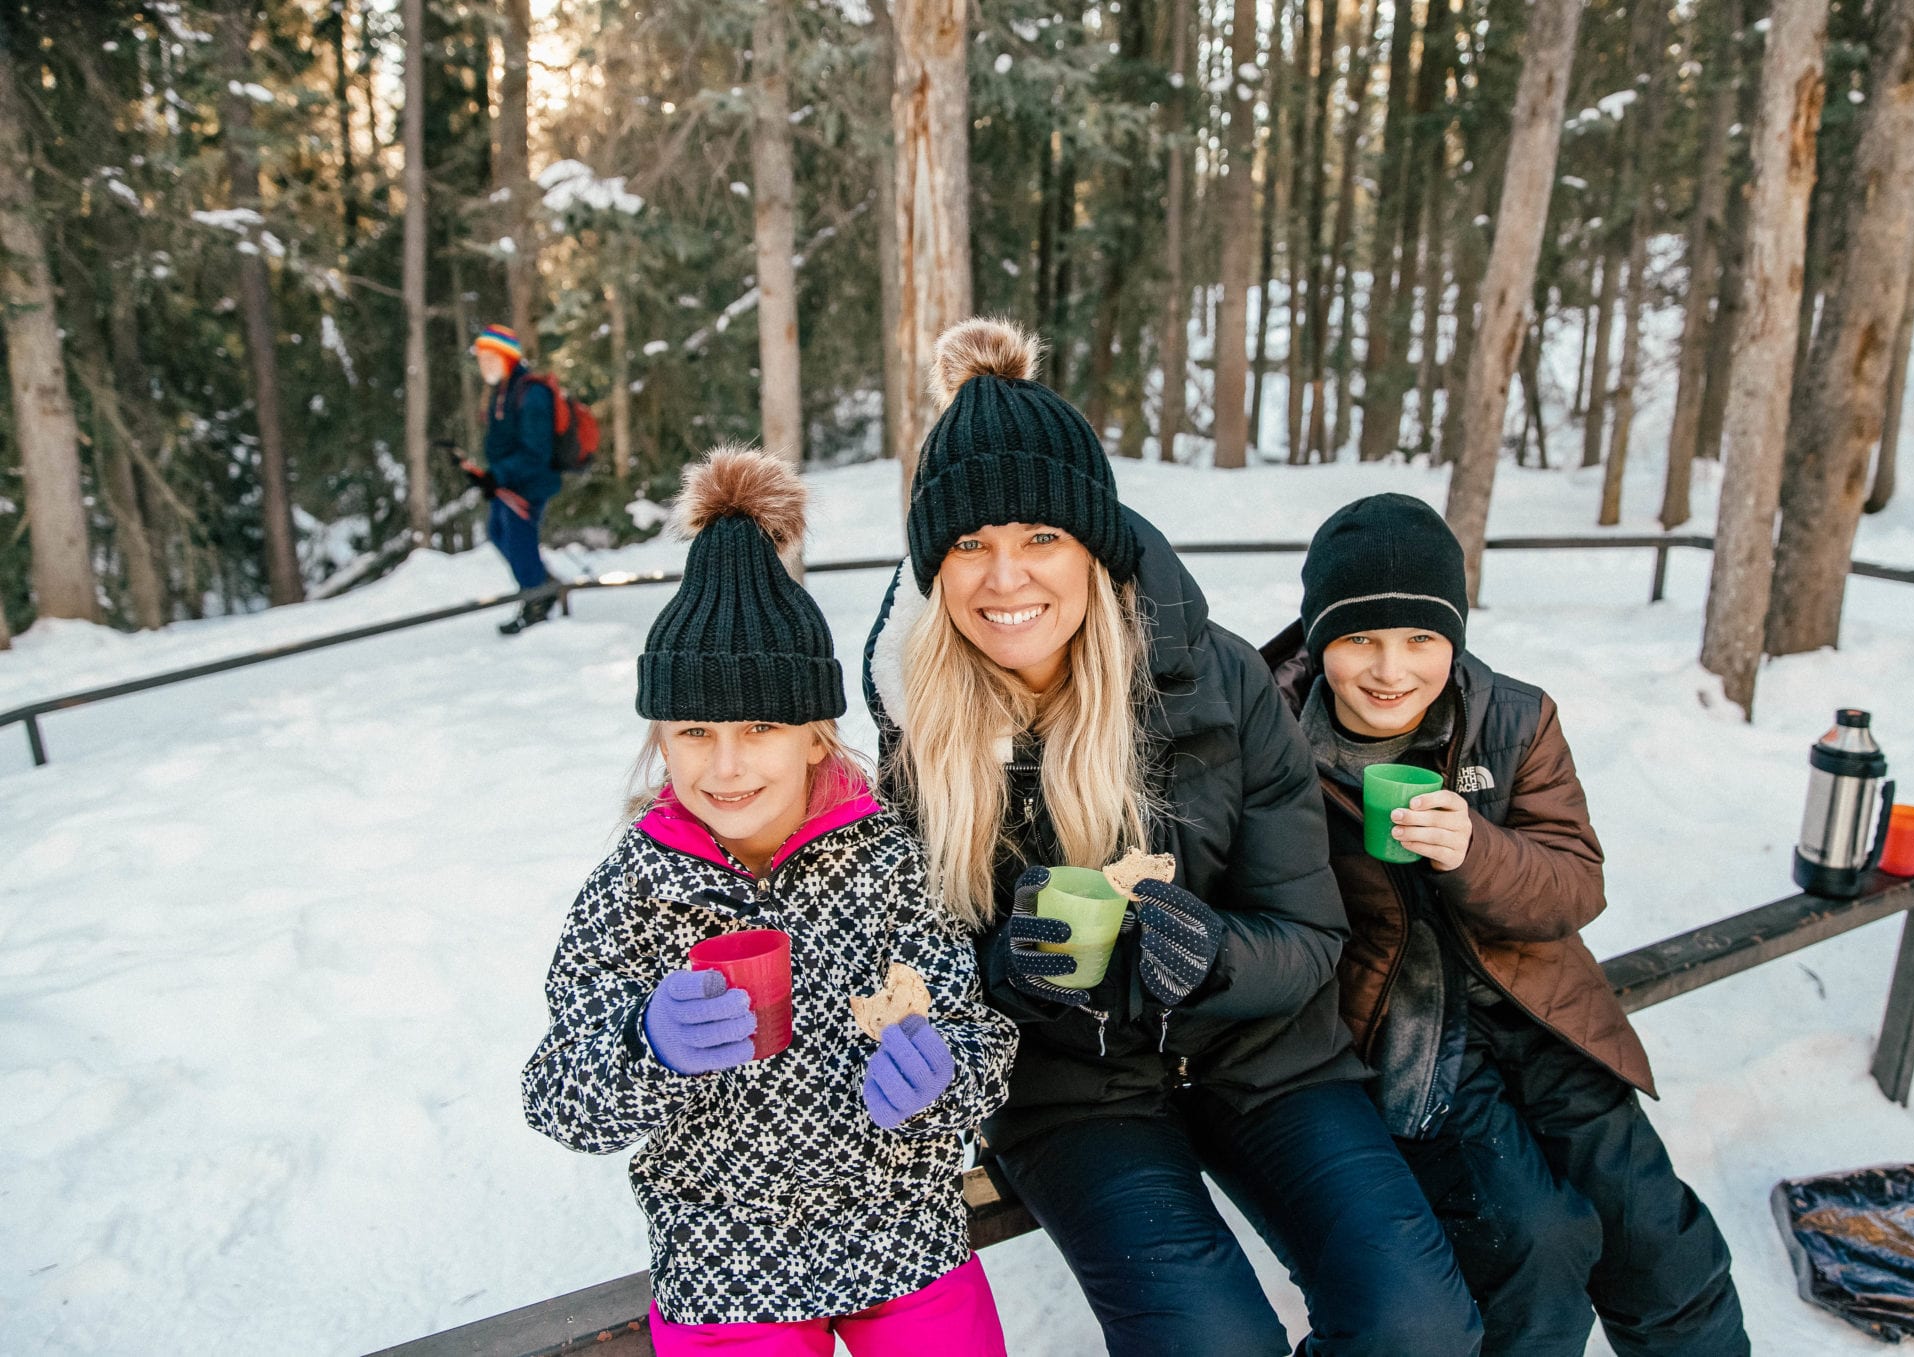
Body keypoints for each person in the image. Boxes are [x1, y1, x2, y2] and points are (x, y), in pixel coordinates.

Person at [863, 318, 1481, 1356]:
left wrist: (1213, 956)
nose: (1005, 579)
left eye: (1040, 537)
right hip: (1074, 1093)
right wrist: (1006, 974)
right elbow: (904, 976)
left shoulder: (1218, 678)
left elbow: (1309, 933)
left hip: (1265, 1054)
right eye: (969, 543)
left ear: (1093, 545)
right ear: (935, 565)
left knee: (1418, 1323)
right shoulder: (914, 731)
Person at [522, 448, 1017, 1356]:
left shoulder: (889, 862)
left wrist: (943, 1073)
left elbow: (980, 1035)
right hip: (725, 1264)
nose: (726, 764)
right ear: (660, 739)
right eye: (694, 731)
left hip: (901, 1233)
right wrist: (646, 1044)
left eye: (760, 727)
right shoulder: (633, 890)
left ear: (815, 734)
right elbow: (557, 1096)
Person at [1264, 493, 1750, 1357]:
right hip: (1409, 1035)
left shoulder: (1514, 717)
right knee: (1532, 1243)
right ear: (1318, 637)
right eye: (1359, 638)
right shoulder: (1272, 743)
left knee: (1659, 1242)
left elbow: (1575, 884)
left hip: (1542, 1012)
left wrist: (1474, 851)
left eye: (1421, 638)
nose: (1390, 669)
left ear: (1453, 638)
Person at [463, 325, 563, 635]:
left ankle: (536, 601)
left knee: (519, 541)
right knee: (497, 532)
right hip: (509, 484)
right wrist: (489, 476)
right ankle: (542, 584)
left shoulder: (531, 394)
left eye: (490, 358)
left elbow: (536, 452)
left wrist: (499, 475)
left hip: (528, 484)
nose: (484, 366)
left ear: (507, 357)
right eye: (481, 359)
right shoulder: (503, 391)